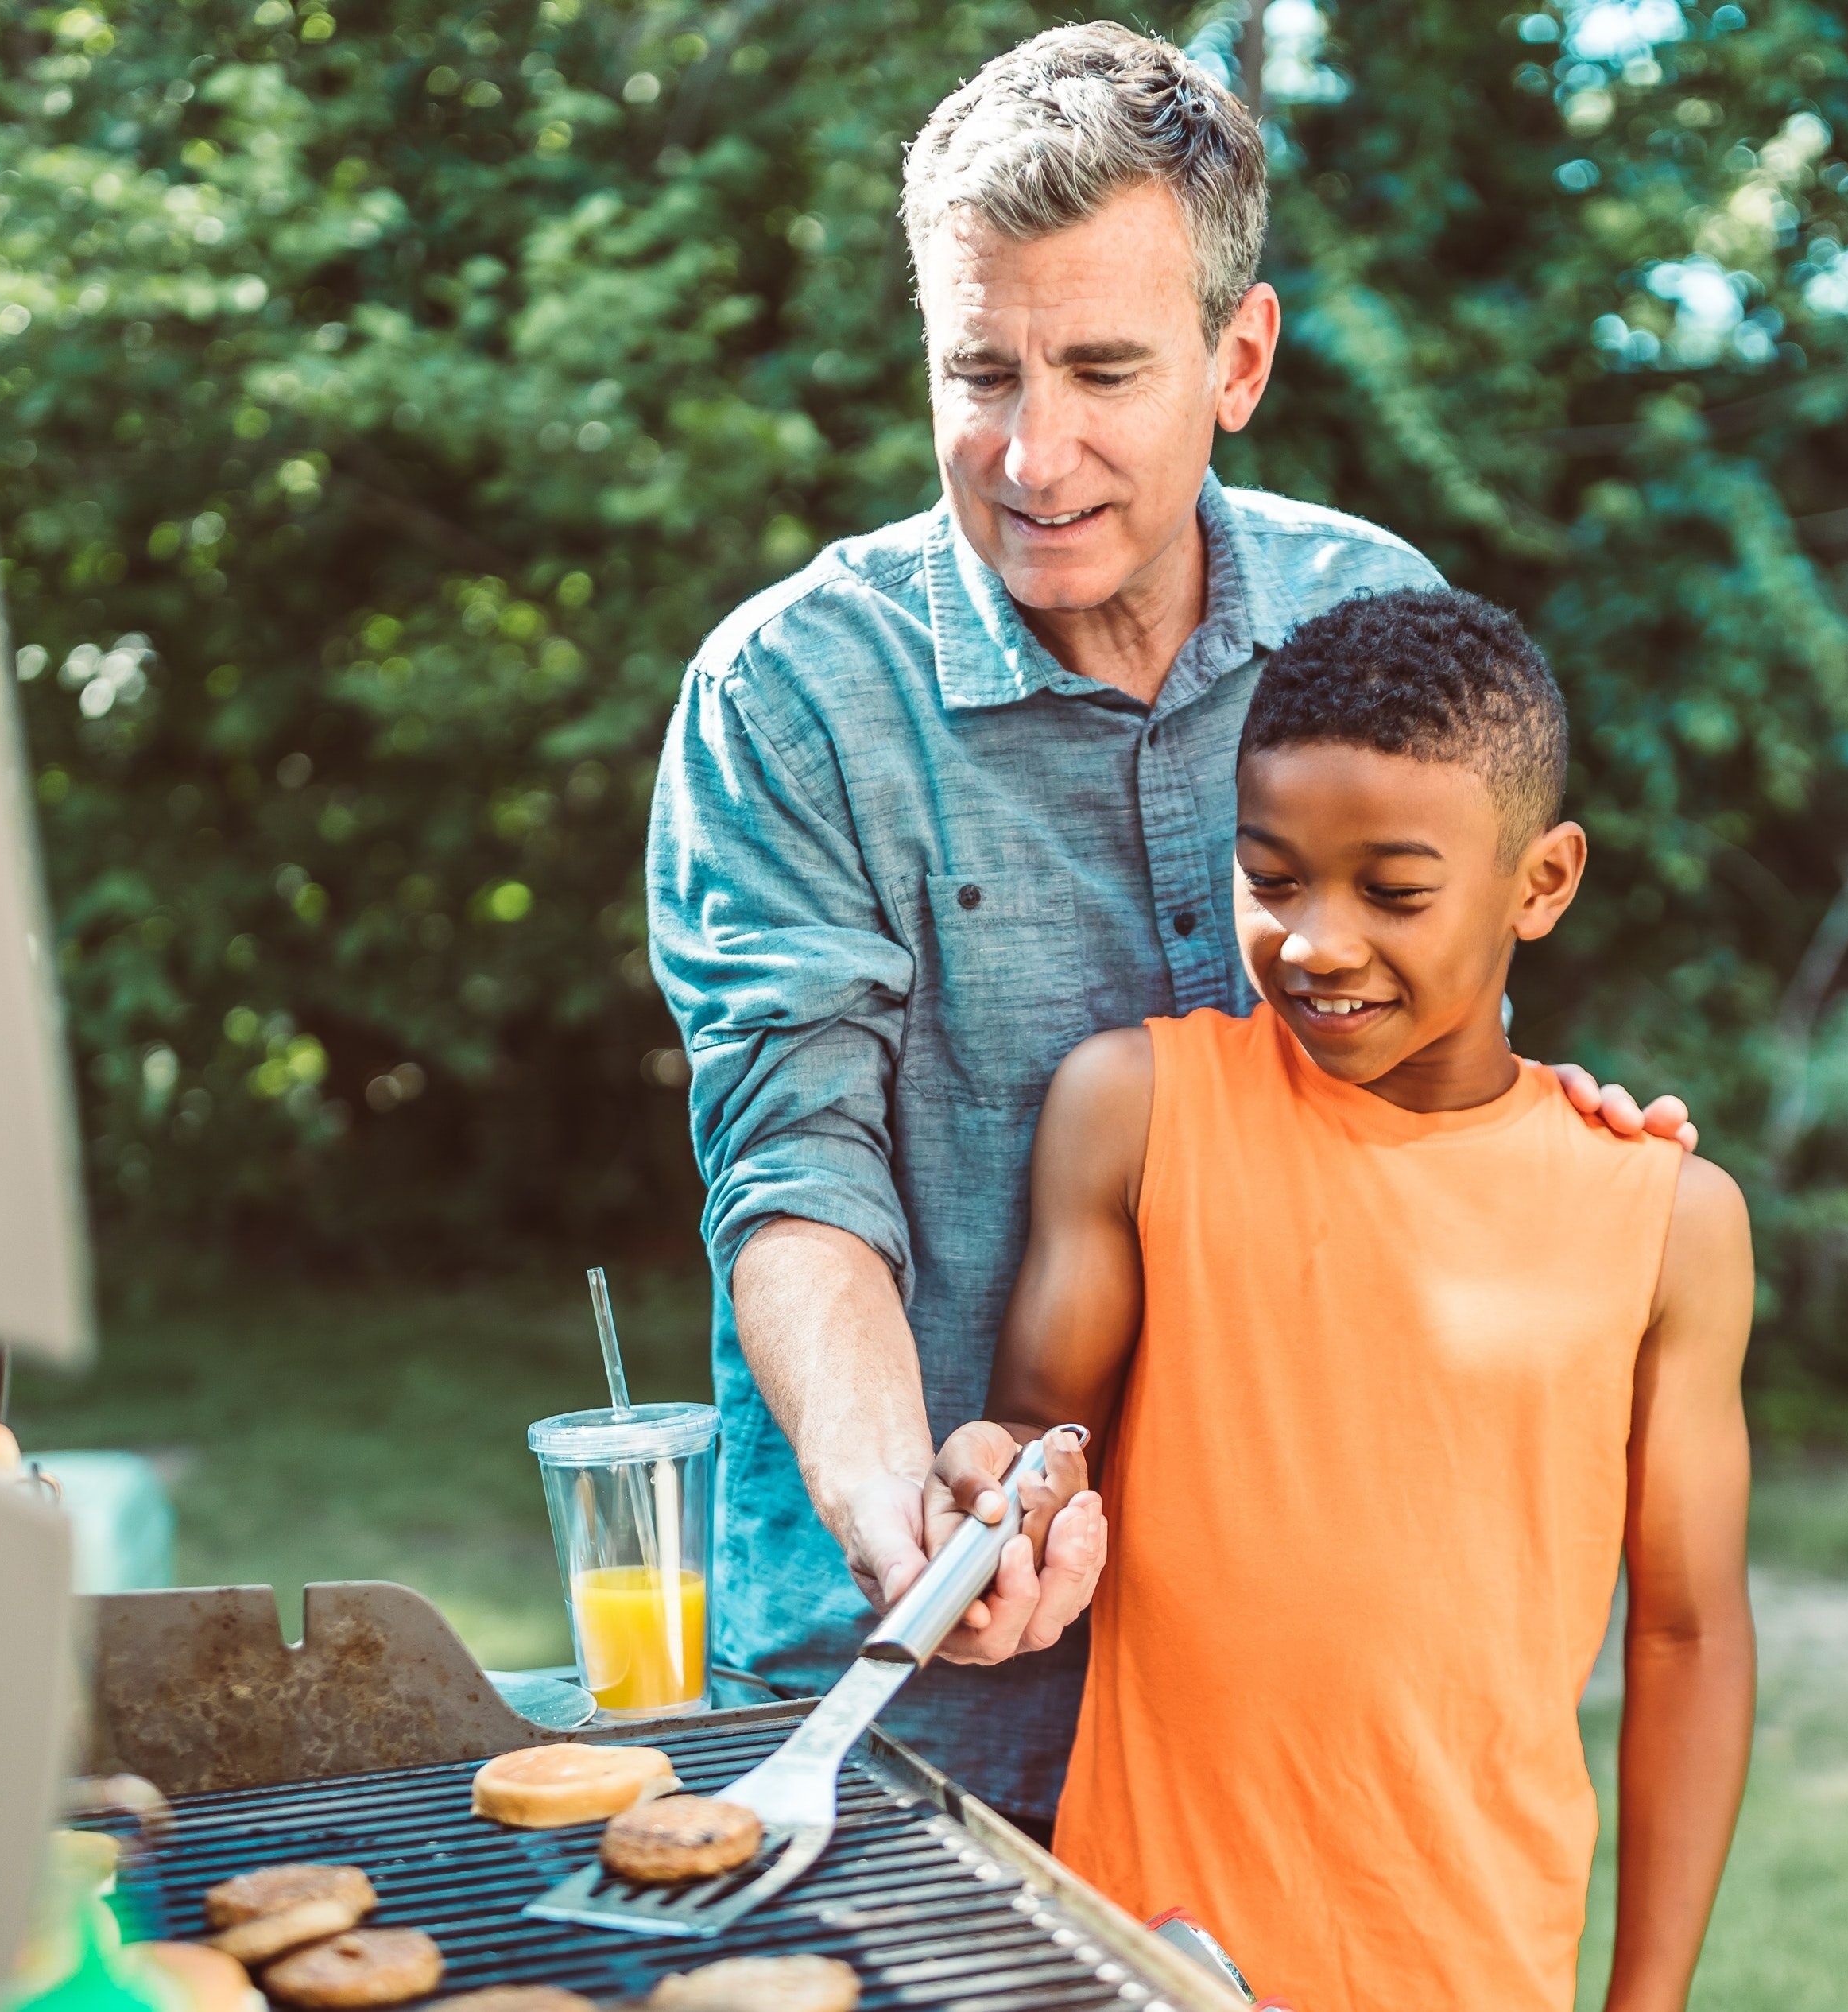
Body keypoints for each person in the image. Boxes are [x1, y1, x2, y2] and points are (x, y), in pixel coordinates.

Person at [642, 22, 1695, 1829]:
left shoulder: (1373, 612)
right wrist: (899, 1502)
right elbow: (793, 1160)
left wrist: (1550, 1133)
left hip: (1278, 1672)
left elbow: (1423, 1073)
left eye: (1103, 371)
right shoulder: (793, 694)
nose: (1031, 453)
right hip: (902, 1679)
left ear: (1239, 357)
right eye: (980, 371)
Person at [989, 587, 1757, 2010]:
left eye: (1394, 893)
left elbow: (1688, 1632)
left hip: (1473, 1959)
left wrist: (1646, 2001)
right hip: (1151, 1952)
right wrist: (982, 1547)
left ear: (1543, 882)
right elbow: (1037, 1461)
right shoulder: (1138, 1112)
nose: (1318, 943)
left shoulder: (1666, 1218)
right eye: (1271, 879)